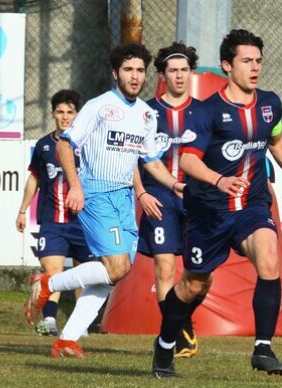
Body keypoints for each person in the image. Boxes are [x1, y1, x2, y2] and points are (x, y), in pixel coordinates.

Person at [151, 29, 282, 378]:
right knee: (193, 285)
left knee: (268, 255)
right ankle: (165, 344)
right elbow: (186, 161)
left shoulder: (269, 103)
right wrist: (219, 180)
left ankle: (262, 348)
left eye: (259, 61)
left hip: (252, 204)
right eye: (247, 61)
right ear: (227, 66)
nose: (255, 67)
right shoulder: (207, 112)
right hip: (209, 212)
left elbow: (276, 140)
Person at [27, 42, 184, 359]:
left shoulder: (145, 115)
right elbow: (65, 146)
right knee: (117, 266)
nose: (135, 76)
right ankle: (49, 282)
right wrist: (76, 187)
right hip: (96, 193)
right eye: (128, 69)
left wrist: (177, 185)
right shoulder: (99, 106)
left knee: (113, 275)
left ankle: (67, 339)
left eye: (140, 70)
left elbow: (150, 162)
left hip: (124, 198)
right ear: (116, 73)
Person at [134, 42, 203, 359]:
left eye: (184, 70)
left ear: (192, 73)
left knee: (201, 274)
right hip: (159, 199)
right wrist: (142, 193)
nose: (179, 76)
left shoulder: (204, 112)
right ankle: (175, 337)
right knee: (164, 270)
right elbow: (130, 158)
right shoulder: (145, 112)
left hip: (195, 199)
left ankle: (180, 320)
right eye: (172, 70)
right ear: (162, 75)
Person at [17, 89, 92, 337]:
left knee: (84, 275)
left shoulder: (87, 144)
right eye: (60, 111)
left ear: (77, 115)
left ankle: (79, 325)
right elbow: (34, 178)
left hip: (83, 222)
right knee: (54, 272)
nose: (65, 117)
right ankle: (49, 320)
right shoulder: (43, 145)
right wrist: (22, 210)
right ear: (52, 114)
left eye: (70, 112)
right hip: (53, 222)